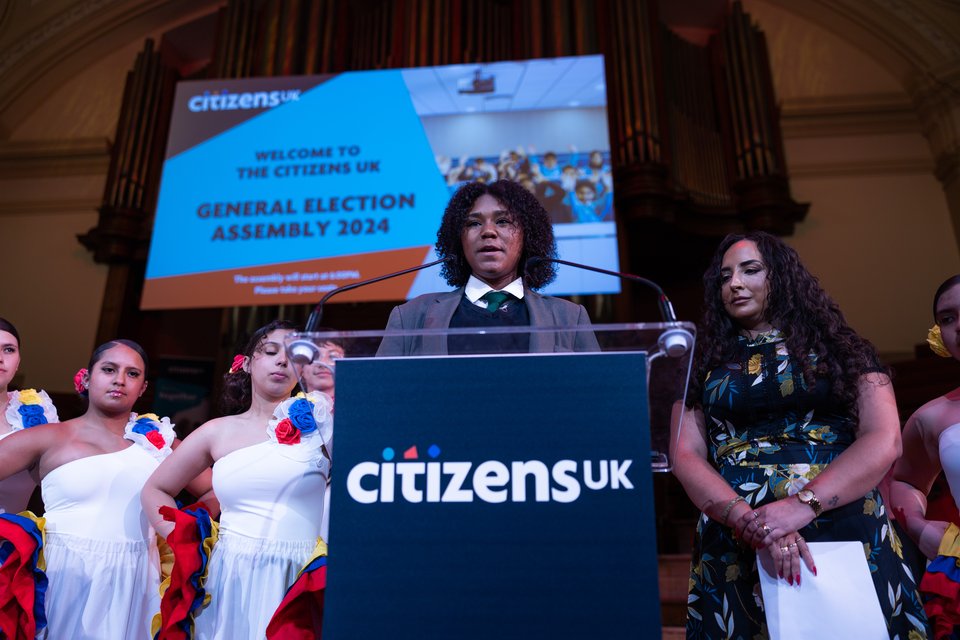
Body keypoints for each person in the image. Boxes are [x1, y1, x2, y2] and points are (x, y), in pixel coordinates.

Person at [673, 231, 928, 639]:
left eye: (750, 270)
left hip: (841, 519)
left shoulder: (846, 350)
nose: (734, 283)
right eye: (724, 277)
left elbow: (883, 439)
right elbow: (685, 456)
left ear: (783, 277)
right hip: (737, 534)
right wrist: (750, 523)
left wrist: (801, 505)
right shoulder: (698, 364)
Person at [143, 319, 333, 639]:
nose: (283, 360)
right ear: (246, 363)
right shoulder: (217, 431)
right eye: (271, 351)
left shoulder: (325, 426)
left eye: (293, 355)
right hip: (228, 574)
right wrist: (187, 542)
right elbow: (155, 489)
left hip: (297, 573)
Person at [0, 339, 199, 639]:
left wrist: (178, 532)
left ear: (143, 388)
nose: (120, 379)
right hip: (61, 573)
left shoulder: (160, 441)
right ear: (86, 377)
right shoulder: (48, 437)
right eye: (109, 369)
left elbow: (220, 489)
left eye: (133, 374)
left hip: (135, 575)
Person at [377, 179, 597, 356]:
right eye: (474, 223)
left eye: (503, 221)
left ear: (527, 235)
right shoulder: (410, 317)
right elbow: (380, 399)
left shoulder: (569, 317)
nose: (488, 231)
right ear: (458, 239)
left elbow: (597, 402)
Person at [891, 274, 960, 638]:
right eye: (948, 318)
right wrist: (919, 527)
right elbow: (904, 480)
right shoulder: (933, 416)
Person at [0, 317, 59, 514]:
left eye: (8, 350)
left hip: (11, 540)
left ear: (18, 362)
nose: (0, 357)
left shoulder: (38, 409)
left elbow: (57, 481)